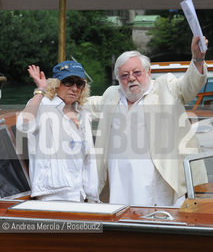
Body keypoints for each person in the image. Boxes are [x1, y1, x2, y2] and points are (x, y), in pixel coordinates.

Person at [85, 36, 208, 206]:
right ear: (118, 80)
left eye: (137, 73)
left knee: (159, 222)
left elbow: (189, 85)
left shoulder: (166, 87)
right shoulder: (112, 95)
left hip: (158, 182)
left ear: (148, 72)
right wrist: (50, 92)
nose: (131, 79)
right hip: (120, 183)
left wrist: (198, 59)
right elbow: (86, 104)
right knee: (122, 224)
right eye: (124, 75)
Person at [16, 61, 99, 202]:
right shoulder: (43, 104)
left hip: (79, 193)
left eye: (79, 84)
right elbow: (23, 125)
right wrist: (40, 90)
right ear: (56, 84)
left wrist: (92, 196)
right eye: (68, 82)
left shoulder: (82, 113)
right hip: (52, 195)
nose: (74, 88)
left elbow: (88, 159)